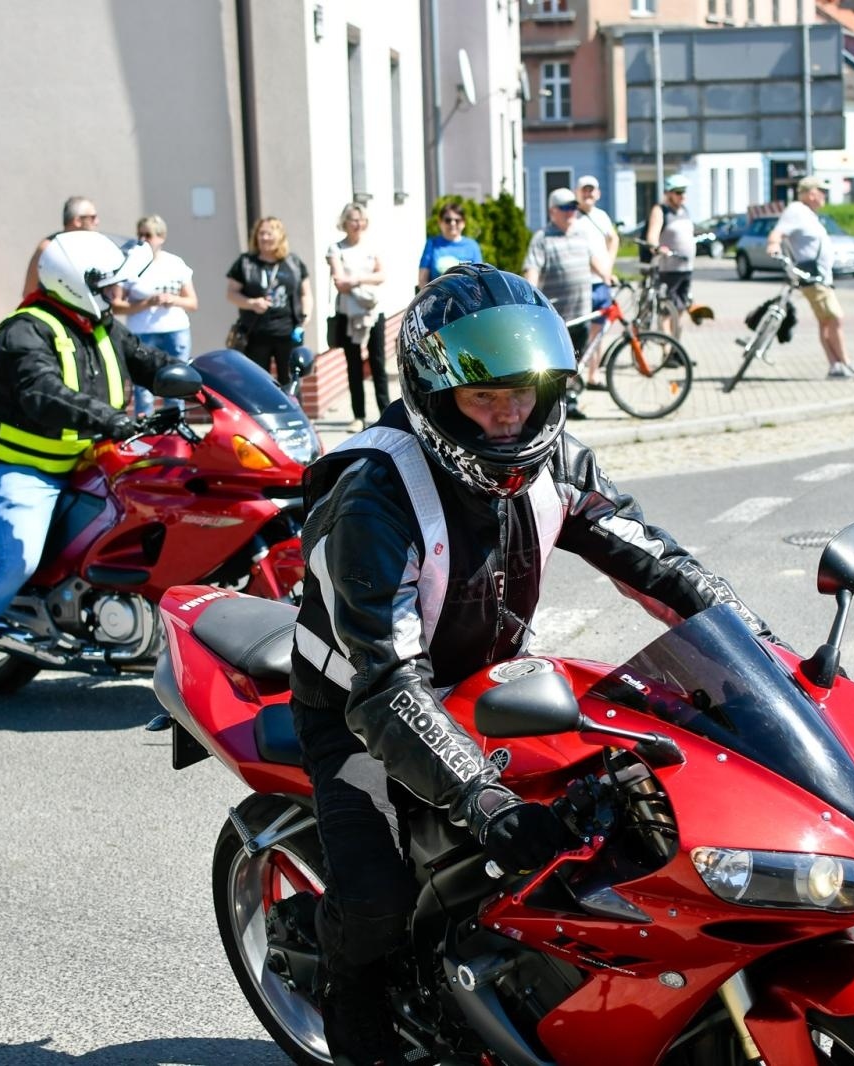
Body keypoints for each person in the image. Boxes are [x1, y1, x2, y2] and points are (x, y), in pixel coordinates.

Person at [288, 263, 780, 1066]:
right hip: (356, 710)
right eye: (486, 399)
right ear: (435, 396)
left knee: (623, 817)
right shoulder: (374, 496)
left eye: (526, 393)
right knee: (377, 902)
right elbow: (383, 681)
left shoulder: (556, 461)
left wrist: (763, 647)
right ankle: (354, 1012)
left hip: (486, 683)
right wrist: (481, 797)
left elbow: (655, 565)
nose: (511, 416)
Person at [0, 231, 174, 724]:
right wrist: (110, 418)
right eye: (106, 285)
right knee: (17, 560)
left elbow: (150, 363)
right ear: (75, 282)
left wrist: (199, 381)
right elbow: (44, 394)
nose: (115, 294)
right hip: (24, 469)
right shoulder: (24, 331)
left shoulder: (99, 323)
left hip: (89, 460)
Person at [766, 177, 854, 379]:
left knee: (826, 322)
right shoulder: (796, 210)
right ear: (811, 193)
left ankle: (835, 365)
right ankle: (844, 362)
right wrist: (773, 245)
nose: (824, 196)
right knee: (836, 318)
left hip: (820, 277)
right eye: (822, 191)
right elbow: (777, 233)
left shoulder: (808, 214)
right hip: (813, 278)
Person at [524, 189, 611, 420]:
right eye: (565, 208)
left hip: (581, 312)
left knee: (574, 361)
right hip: (557, 317)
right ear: (553, 211)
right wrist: (529, 297)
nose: (571, 212)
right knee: (556, 364)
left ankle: (569, 403)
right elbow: (532, 269)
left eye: (573, 207)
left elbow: (592, 259)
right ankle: (550, 408)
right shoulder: (542, 238)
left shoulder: (581, 233)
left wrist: (606, 275)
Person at [112, 215, 198, 416]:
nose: (143, 239)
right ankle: (145, 430)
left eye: (148, 235)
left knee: (177, 382)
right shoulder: (130, 265)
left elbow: (192, 302)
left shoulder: (175, 263)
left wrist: (173, 300)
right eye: (140, 234)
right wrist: (145, 303)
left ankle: (175, 427)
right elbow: (116, 305)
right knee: (142, 389)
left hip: (175, 331)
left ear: (161, 237)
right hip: (143, 333)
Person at [226, 216, 311, 388]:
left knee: (290, 382)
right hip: (256, 334)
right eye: (261, 233)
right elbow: (231, 294)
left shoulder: (293, 263)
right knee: (258, 383)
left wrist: (305, 317)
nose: (264, 238)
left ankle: (291, 414)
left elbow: (306, 293)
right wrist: (251, 303)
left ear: (280, 236)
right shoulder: (246, 263)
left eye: (269, 233)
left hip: (288, 333)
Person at [327, 203, 388, 433]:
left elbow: (382, 275)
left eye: (360, 219)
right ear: (344, 222)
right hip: (349, 314)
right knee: (353, 364)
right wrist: (364, 279)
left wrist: (355, 280)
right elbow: (339, 282)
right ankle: (358, 415)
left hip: (374, 312)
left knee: (378, 362)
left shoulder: (372, 247)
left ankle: (384, 411)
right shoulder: (336, 249)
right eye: (353, 219)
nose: (357, 223)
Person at [568, 175, 619, 388]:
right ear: (577, 193)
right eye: (584, 190)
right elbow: (581, 253)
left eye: (592, 190)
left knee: (599, 330)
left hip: (601, 282)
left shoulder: (601, 216)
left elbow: (614, 238)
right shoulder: (573, 217)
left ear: (597, 193)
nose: (588, 194)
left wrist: (608, 266)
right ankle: (573, 377)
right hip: (583, 282)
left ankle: (593, 374)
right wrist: (604, 271)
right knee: (580, 332)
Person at [645, 174, 695, 336]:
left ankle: (675, 349)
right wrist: (658, 248)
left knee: (680, 308)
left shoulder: (685, 211)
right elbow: (652, 236)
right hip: (668, 269)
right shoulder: (660, 211)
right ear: (668, 193)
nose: (683, 196)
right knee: (667, 310)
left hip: (686, 268)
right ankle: (667, 349)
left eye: (684, 192)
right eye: (679, 192)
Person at [23, 195, 100, 298]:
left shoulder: (94, 249)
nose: (97, 222)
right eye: (93, 217)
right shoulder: (49, 248)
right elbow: (29, 291)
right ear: (77, 221)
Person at [416, 202, 483, 289]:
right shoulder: (432, 244)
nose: (452, 223)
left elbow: (480, 278)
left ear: (463, 223)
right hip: (438, 299)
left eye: (457, 220)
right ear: (440, 222)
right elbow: (422, 280)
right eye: (448, 220)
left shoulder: (472, 246)